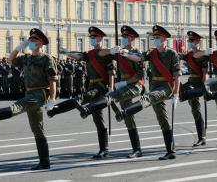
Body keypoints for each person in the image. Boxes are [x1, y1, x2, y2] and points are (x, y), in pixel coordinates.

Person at [0, 28, 57, 170]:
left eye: (34, 40)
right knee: (37, 129)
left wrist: (52, 99)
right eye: (30, 40)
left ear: (41, 43)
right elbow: (10, 60)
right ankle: (45, 162)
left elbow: (53, 80)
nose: (31, 42)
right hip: (29, 92)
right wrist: (20, 47)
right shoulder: (26, 58)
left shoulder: (47, 59)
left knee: (16, 107)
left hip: (40, 93)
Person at [47, 26, 115, 159]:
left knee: (79, 99)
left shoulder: (107, 54)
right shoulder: (89, 54)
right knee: (98, 119)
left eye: (95, 37)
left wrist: (111, 88)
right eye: (91, 38)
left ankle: (55, 110)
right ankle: (104, 149)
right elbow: (78, 55)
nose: (93, 40)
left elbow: (111, 72)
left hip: (101, 87)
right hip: (91, 85)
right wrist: (66, 52)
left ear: (101, 38)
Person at [114, 25, 181, 160]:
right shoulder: (151, 53)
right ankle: (170, 151)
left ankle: (125, 112)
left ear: (165, 38)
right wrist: (124, 53)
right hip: (155, 85)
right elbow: (139, 58)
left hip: (166, 86)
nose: (155, 39)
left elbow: (177, 76)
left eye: (158, 37)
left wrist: (176, 94)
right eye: (154, 37)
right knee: (162, 117)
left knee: (150, 97)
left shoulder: (172, 53)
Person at [79, 25, 145, 158]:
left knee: (112, 97)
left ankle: (91, 109)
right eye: (123, 36)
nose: (124, 39)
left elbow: (140, 75)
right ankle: (136, 149)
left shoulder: (137, 54)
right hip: (121, 86)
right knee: (128, 118)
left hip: (133, 85)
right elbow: (102, 54)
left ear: (133, 38)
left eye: (126, 37)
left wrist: (124, 82)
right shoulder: (119, 53)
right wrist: (113, 50)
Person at [179, 31, 209, 147]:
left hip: (198, 83)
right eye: (189, 41)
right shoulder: (189, 55)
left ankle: (202, 137)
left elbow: (205, 72)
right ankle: (202, 137)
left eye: (192, 41)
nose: (190, 43)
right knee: (194, 110)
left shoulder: (203, 56)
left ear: (198, 41)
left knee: (196, 110)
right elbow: (178, 57)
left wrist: (205, 86)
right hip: (191, 81)